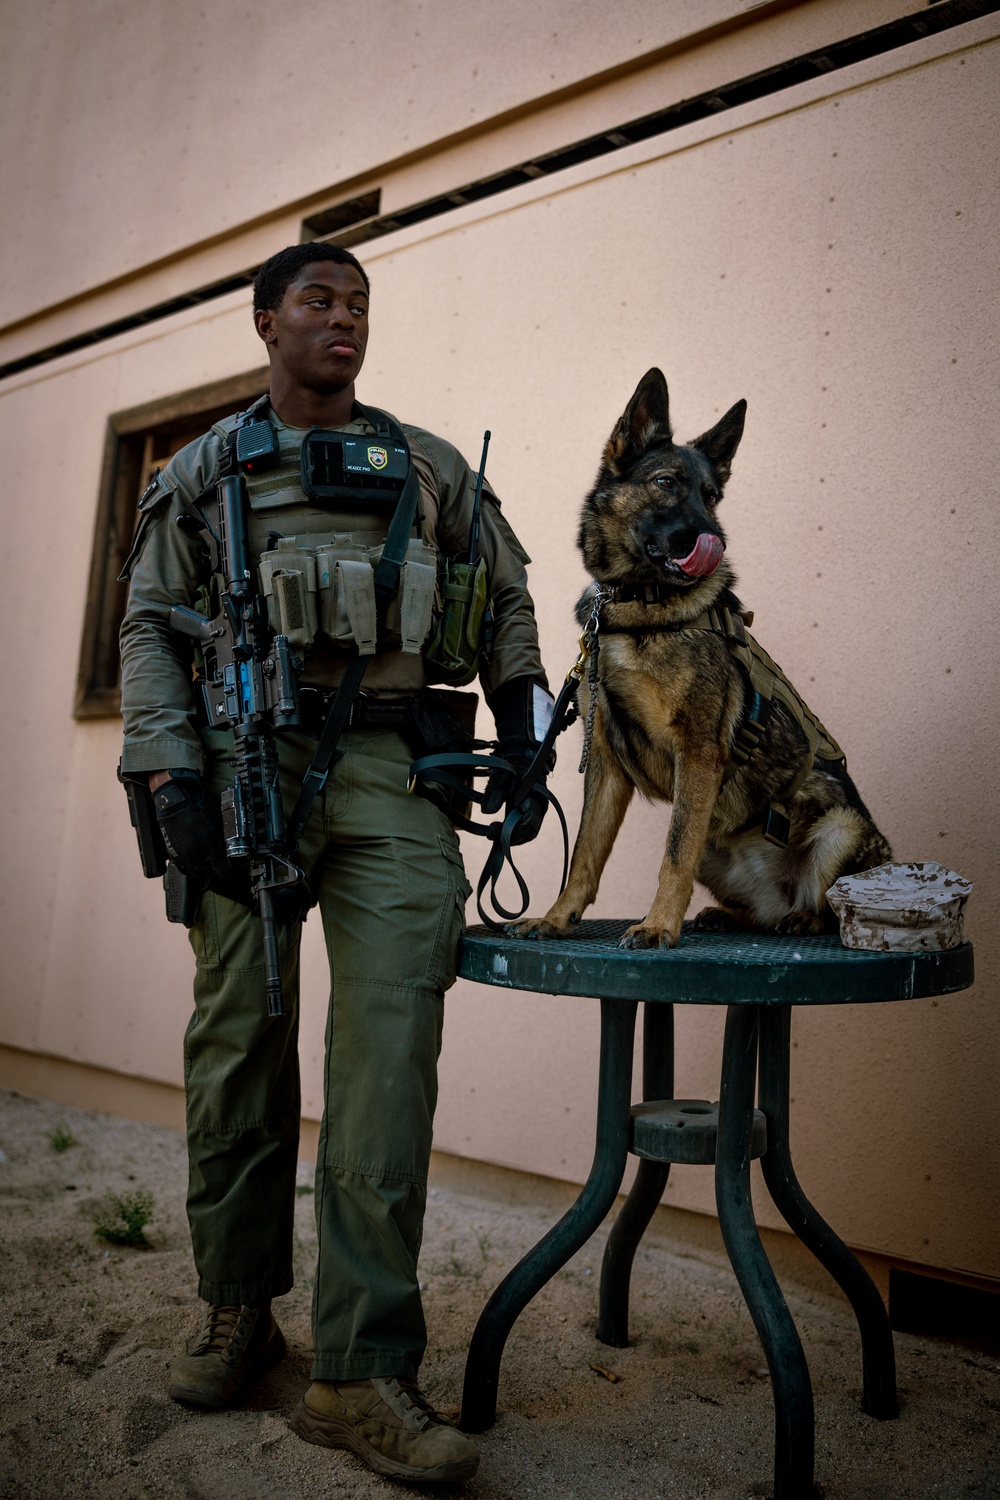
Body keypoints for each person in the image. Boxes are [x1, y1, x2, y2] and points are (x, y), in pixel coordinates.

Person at [118, 242, 552, 1485]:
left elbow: (508, 594)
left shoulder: (424, 465)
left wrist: (521, 723)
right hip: (244, 767)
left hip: (393, 779)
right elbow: (150, 621)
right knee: (239, 1045)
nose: (343, 319)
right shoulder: (202, 470)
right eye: (318, 300)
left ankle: (360, 1372)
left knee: (387, 1055)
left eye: (359, 304)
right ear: (264, 322)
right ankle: (239, 1310)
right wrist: (168, 774)